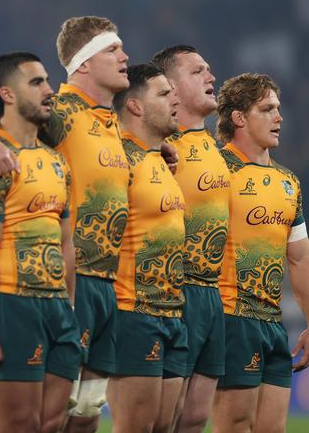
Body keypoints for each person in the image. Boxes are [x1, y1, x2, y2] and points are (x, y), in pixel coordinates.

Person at [0, 16, 134, 432]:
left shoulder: (110, 121)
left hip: (106, 281)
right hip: (63, 278)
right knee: (49, 420)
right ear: (83, 63)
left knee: (86, 414)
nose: (125, 57)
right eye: (113, 50)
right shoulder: (61, 111)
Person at [0, 52, 80, 432]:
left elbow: (66, 243)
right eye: (36, 83)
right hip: (13, 302)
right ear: (8, 94)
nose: (49, 90)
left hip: (57, 307)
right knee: (20, 425)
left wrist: (68, 306)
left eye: (47, 81)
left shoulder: (56, 161)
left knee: (53, 424)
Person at [211, 73, 309, 433]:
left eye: (278, 109)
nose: (279, 117)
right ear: (239, 118)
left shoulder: (289, 182)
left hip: (271, 322)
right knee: (234, 425)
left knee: (273, 428)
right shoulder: (215, 170)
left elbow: (299, 258)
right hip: (229, 317)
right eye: (267, 109)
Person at [151, 45, 230, 433]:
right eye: (198, 71)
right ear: (171, 89)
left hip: (211, 295)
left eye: (209, 69)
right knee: (162, 418)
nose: (211, 77)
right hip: (173, 290)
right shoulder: (157, 147)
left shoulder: (216, 151)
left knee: (197, 417)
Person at [109, 63, 187, 433]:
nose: (176, 99)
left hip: (173, 312)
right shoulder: (116, 159)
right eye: (163, 93)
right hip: (133, 311)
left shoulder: (159, 161)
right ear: (136, 107)